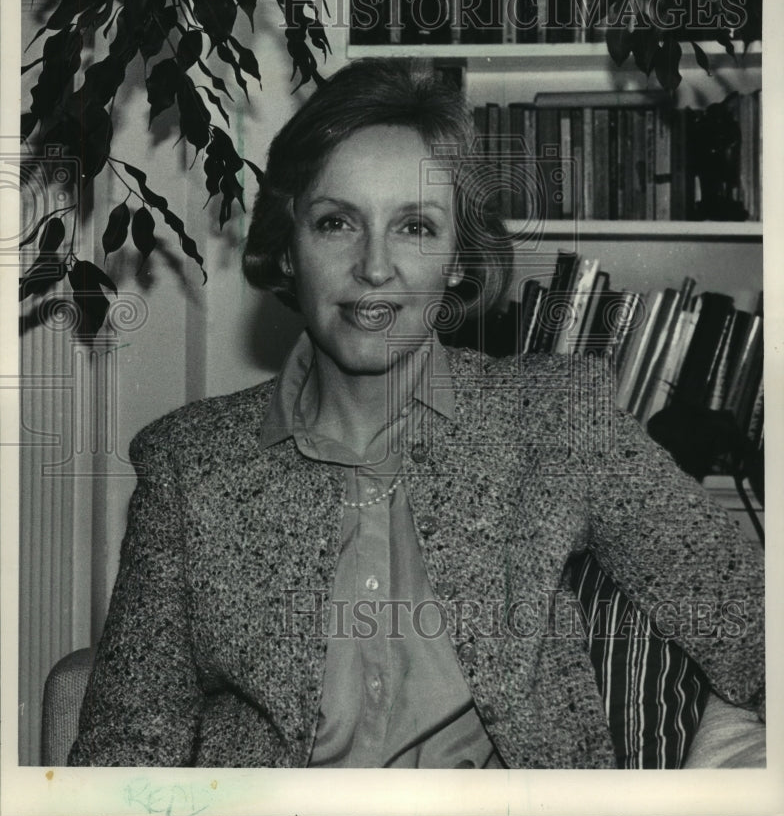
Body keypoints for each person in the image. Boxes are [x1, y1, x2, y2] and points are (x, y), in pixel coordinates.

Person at [69, 58, 765, 769]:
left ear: (459, 260)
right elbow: (125, 751)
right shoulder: (190, 465)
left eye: (415, 227)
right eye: (336, 222)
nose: (375, 267)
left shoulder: (556, 422)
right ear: (288, 249)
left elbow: (752, 622)